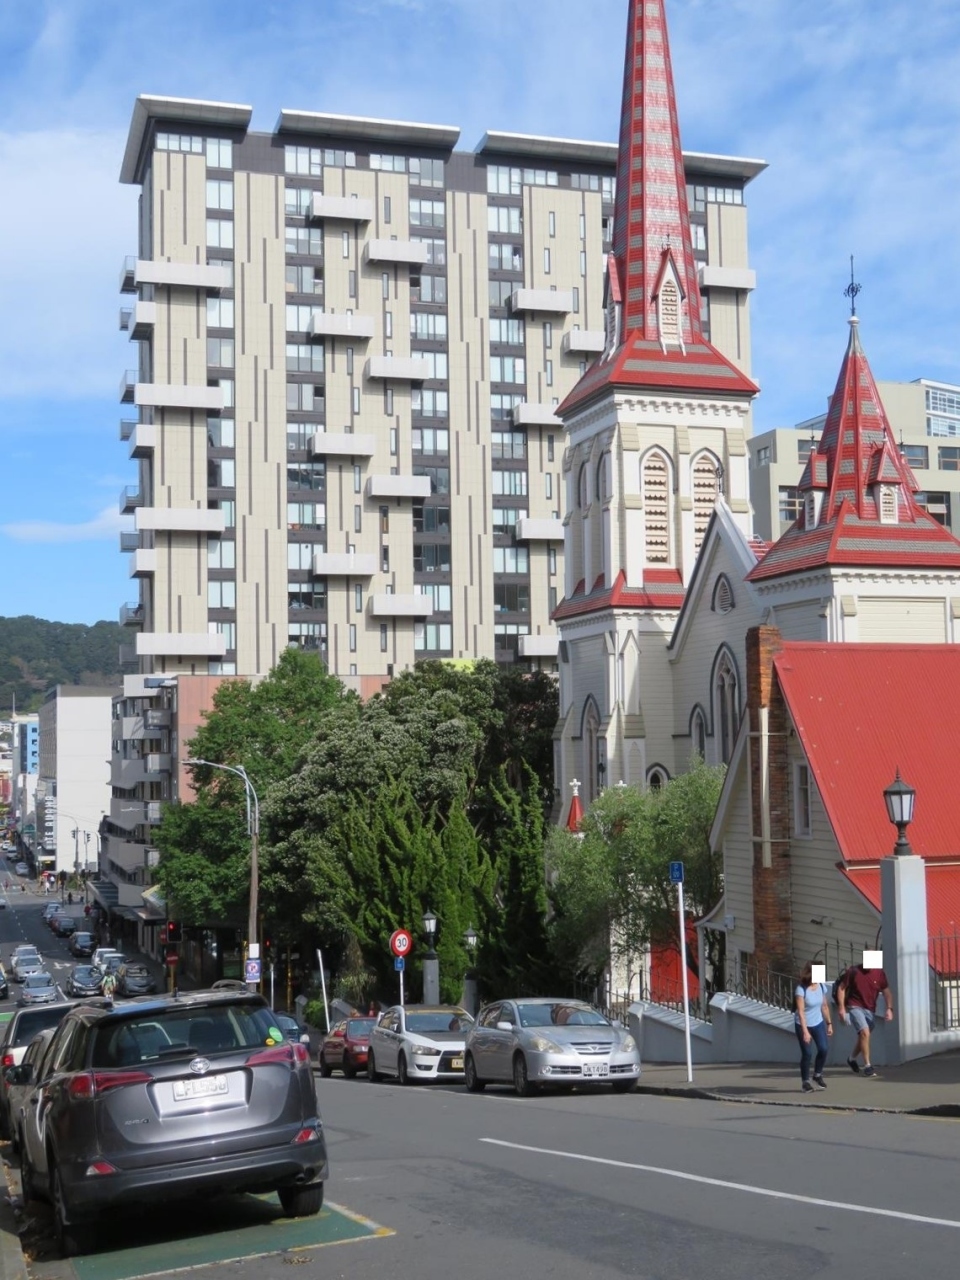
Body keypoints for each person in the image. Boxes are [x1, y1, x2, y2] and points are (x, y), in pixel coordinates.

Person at [838, 959, 894, 1077]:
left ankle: (851, 1059)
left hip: (870, 1010)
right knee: (865, 1032)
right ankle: (868, 1066)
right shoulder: (854, 971)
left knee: (864, 1036)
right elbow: (841, 988)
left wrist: (889, 1008)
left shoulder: (879, 973)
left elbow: (886, 992)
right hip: (854, 1006)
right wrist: (842, 1008)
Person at [794, 961, 833, 1092]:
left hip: (818, 1023)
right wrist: (805, 1032)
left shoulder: (821, 986)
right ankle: (805, 1082)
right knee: (807, 1053)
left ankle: (817, 1075)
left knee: (823, 1049)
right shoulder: (801, 989)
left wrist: (829, 1023)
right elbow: (800, 1012)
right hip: (803, 1024)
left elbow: (824, 1006)